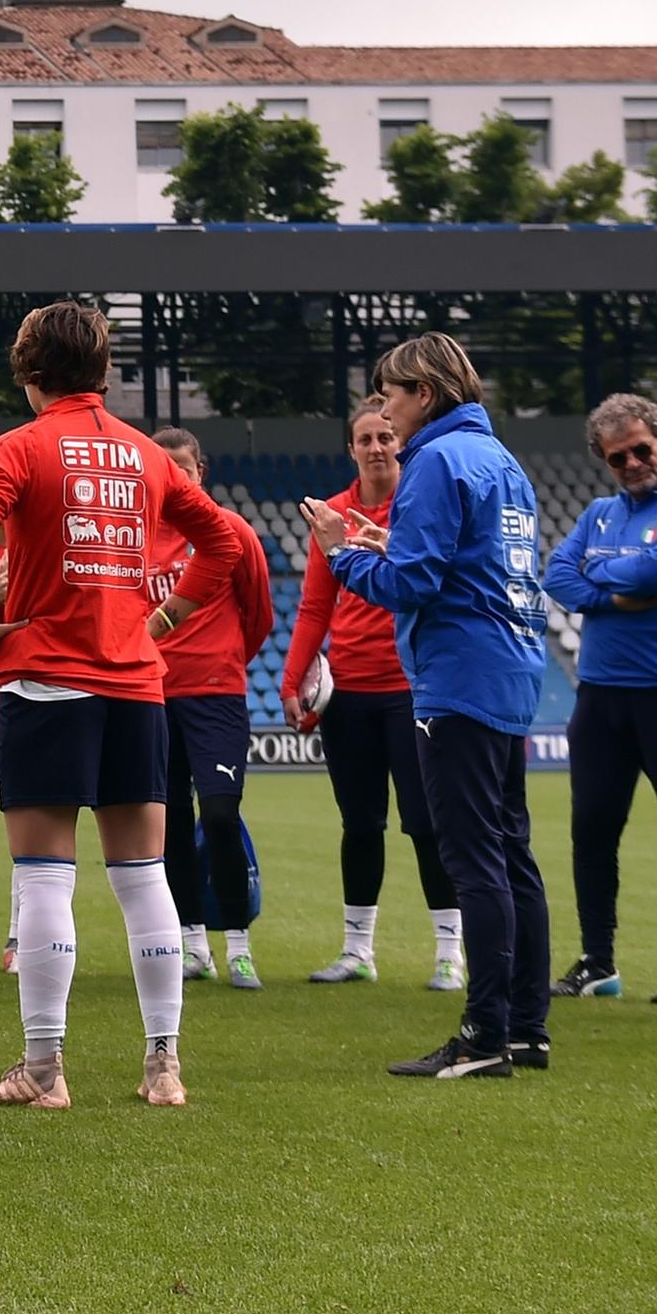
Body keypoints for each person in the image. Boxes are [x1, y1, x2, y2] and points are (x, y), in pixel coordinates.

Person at [0, 300, 254, 1113]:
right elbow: (225, 542)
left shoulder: (18, 448)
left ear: (28, 373)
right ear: (103, 370)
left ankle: (44, 1070)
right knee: (143, 877)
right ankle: (163, 1066)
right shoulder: (145, 455)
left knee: (44, 875)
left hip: (45, 680)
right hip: (136, 683)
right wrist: (160, 618)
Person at [316, 333, 553, 1080]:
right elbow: (473, 560)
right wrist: (393, 544)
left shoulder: (437, 460)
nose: (384, 408)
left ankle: (484, 1035)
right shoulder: (501, 459)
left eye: (391, 393)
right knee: (512, 852)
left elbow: (411, 586)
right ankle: (525, 1028)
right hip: (511, 668)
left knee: (474, 855)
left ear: (424, 391)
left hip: (459, 674)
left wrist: (339, 552)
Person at [540, 393, 657, 1006]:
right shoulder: (599, 513)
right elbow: (556, 576)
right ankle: (597, 961)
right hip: (599, 695)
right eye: (617, 457)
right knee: (592, 832)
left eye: (641, 449)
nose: (632, 463)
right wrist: (615, 591)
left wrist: (601, 579)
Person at [284, 402, 463, 988]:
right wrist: (293, 678)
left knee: (427, 823)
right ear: (351, 449)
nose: (378, 446)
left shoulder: (418, 502)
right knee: (359, 824)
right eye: (365, 438)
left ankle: (449, 952)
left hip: (412, 687)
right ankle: (358, 950)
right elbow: (315, 605)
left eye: (386, 435)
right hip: (349, 692)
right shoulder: (332, 515)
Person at [146, 428, 277, 992]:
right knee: (170, 822)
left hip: (216, 696)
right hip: (152, 695)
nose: (176, 476)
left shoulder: (231, 531)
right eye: (164, 467)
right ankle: (192, 940)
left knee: (220, 817)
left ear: (202, 472)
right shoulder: (134, 539)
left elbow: (260, 614)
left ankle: (239, 945)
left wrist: (222, 663)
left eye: (185, 467)